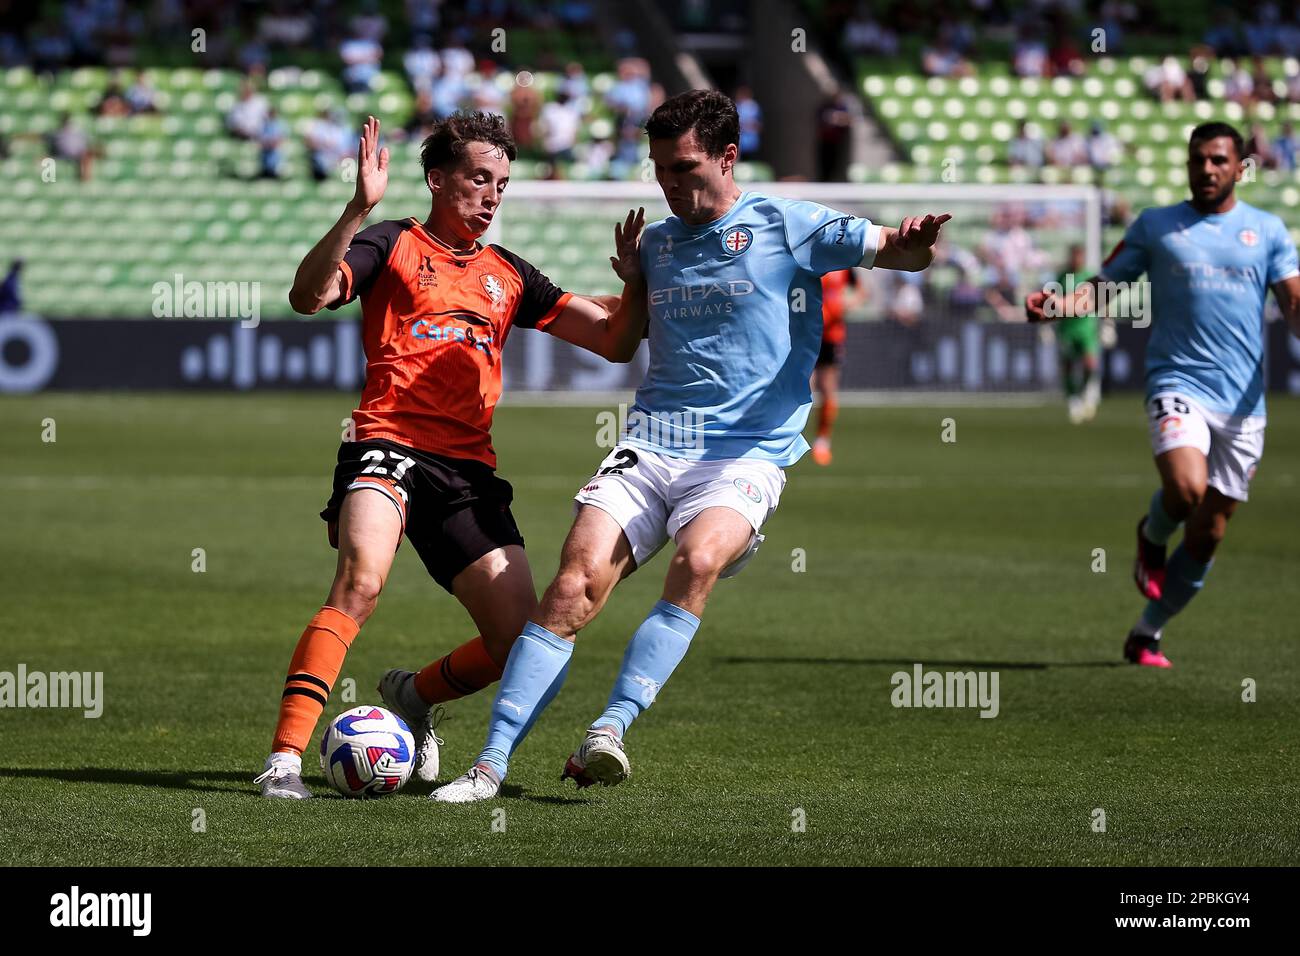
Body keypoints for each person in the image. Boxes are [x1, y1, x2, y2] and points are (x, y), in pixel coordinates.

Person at [433, 90, 950, 802]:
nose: (671, 185)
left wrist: (917, 244)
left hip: (746, 453)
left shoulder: (786, 223)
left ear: (728, 158)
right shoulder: (656, 241)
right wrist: (629, 289)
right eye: (661, 171)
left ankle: (610, 727)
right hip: (654, 440)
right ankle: (489, 765)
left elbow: (896, 249)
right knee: (571, 587)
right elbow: (627, 330)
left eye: (685, 168)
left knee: (699, 557)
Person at [256, 113, 650, 798]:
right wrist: (357, 209)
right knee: (361, 583)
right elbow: (308, 295)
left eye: (501, 182)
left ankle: (413, 697)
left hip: (467, 473)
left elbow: (615, 342)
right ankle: (285, 761)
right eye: (478, 179)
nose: (492, 195)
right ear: (438, 179)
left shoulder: (508, 274)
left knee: (520, 642)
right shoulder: (392, 242)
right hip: (385, 444)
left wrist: (638, 281)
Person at [1026, 122, 1300, 667]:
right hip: (1179, 382)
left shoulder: (1267, 231)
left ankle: (1147, 633)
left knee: (1210, 533)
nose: (1207, 169)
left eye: (1220, 160)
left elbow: (1293, 302)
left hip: (1244, 404)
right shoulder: (1157, 226)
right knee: (1186, 488)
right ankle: (1151, 535)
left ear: (1240, 167)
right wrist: (1062, 302)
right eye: (1199, 159)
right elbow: (1105, 284)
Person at [811, 268, 865, 465]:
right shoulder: (806, 258)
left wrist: (848, 304)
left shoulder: (844, 264)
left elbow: (861, 291)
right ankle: (788, 438)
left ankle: (822, 442)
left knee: (827, 389)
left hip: (831, 335)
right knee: (803, 387)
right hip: (805, 332)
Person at [1052, 244, 1103, 424]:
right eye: (1074, 256)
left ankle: (1085, 391)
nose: (1076, 260)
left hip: (1086, 326)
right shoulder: (1062, 277)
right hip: (1067, 327)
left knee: (1090, 364)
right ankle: (1073, 399)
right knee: (1068, 364)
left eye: (1079, 256)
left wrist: (1108, 323)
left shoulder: (1089, 276)